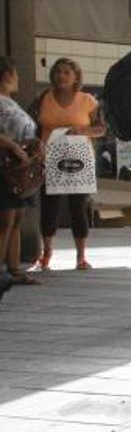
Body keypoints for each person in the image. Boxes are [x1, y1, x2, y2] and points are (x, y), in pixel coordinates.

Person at [31, 58, 106, 271]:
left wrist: (83, 130)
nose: (61, 76)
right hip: (49, 159)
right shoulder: (43, 98)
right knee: (49, 206)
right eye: (57, 72)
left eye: (66, 72)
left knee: (78, 207)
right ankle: (46, 253)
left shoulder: (88, 100)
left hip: (79, 162)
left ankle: (81, 256)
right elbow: (32, 125)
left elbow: (102, 129)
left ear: (76, 77)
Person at [0, 57, 44, 293]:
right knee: (5, 219)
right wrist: (13, 147)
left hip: (19, 166)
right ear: (6, 75)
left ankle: (14, 268)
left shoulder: (10, 102)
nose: (18, 78)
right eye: (15, 73)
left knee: (15, 218)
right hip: (5, 164)